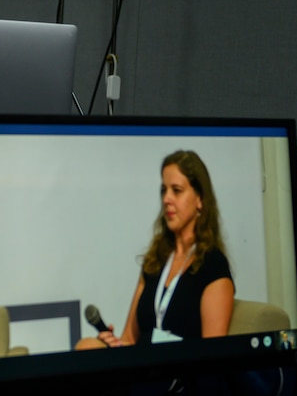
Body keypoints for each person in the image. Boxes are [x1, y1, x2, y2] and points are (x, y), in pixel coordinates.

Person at [79, 150, 235, 349]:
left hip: (181, 373)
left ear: (200, 200)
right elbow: (129, 338)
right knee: (87, 346)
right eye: (164, 190)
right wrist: (115, 344)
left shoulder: (213, 265)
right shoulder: (156, 260)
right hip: (144, 365)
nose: (166, 199)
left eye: (176, 190)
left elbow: (214, 355)